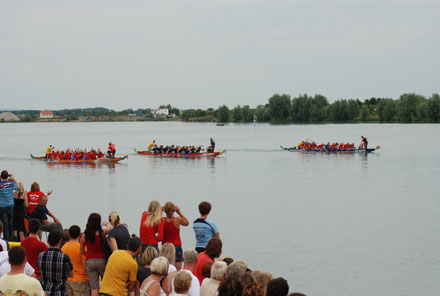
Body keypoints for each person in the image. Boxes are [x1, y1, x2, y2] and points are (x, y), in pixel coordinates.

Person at [80, 213, 110, 296]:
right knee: (106, 284)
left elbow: (82, 251)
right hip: (102, 261)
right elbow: (109, 229)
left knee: (94, 287)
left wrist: (89, 253)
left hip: (89, 262)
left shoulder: (84, 235)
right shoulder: (102, 233)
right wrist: (107, 224)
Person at [38, 230, 74, 296]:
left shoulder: (41, 255)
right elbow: (71, 275)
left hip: (44, 291)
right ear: (60, 241)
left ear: (48, 241)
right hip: (60, 292)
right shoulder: (65, 257)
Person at [61, 225, 89, 296]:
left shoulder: (63, 248)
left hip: (68, 279)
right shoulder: (82, 248)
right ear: (80, 234)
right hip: (81, 279)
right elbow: (85, 265)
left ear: (69, 235)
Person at [163, 202, 189, 270]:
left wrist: (160, 210)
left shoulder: (162, 220)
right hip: (176, 245)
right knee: (177, 270)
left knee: (165, 268)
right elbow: (186, 223)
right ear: (173, 210)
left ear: (165, 210)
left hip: (166, 246)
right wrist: (179, 212)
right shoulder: (177, 219)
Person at [0, 170, 18, 241]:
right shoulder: (11, 184)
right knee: (11, 222)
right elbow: (18, 187)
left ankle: (6, 239)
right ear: (8, 176)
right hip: (10, 205)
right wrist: (13, 178)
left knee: (5, 223)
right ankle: (11, 239)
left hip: (2, 206)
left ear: (1, 176)